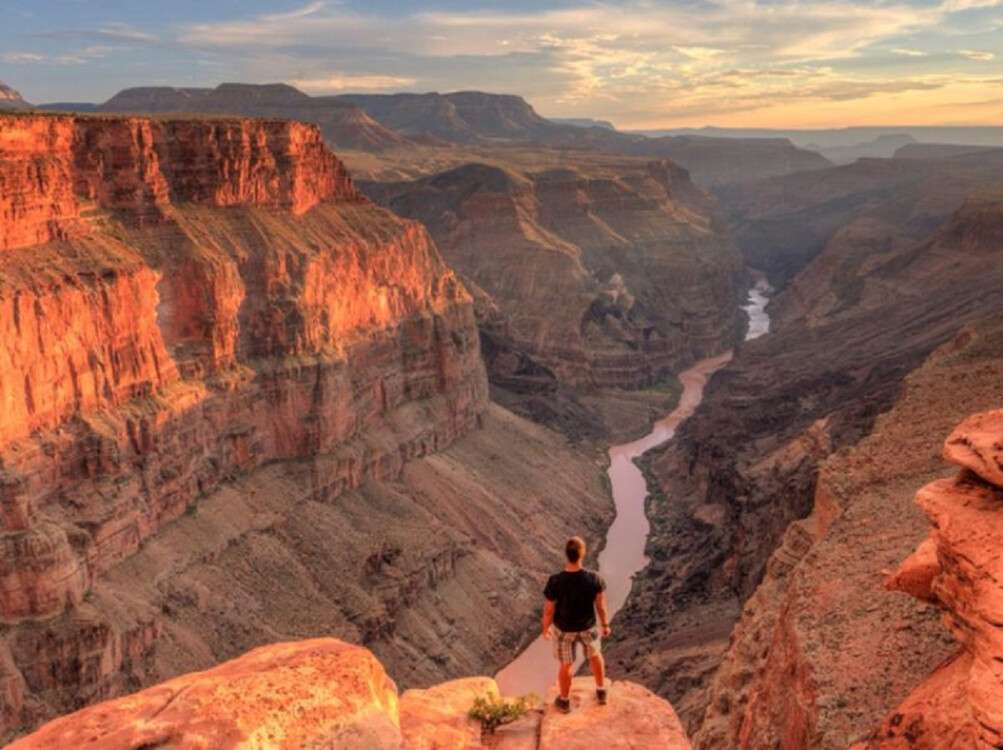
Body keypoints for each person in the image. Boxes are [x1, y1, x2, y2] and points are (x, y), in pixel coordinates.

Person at [542, 536, 610, 713]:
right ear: (583, 553)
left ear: (566, 554)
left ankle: (564, 701)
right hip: (588, 627)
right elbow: (601, 606)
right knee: (595, 656)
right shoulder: (594, 579)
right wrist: (605, 624)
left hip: (564, 630)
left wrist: (545, 628)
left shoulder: (555, 581)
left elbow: (549, 610)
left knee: (566, 665)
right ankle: (601, 691)